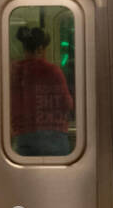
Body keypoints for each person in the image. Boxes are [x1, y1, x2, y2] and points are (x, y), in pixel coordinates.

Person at [11, 25, 73, 156]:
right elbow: (67, 103)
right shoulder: (53, 71)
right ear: (40, 49)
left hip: (24, 136)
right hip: (55, 137)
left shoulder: (16, 71)